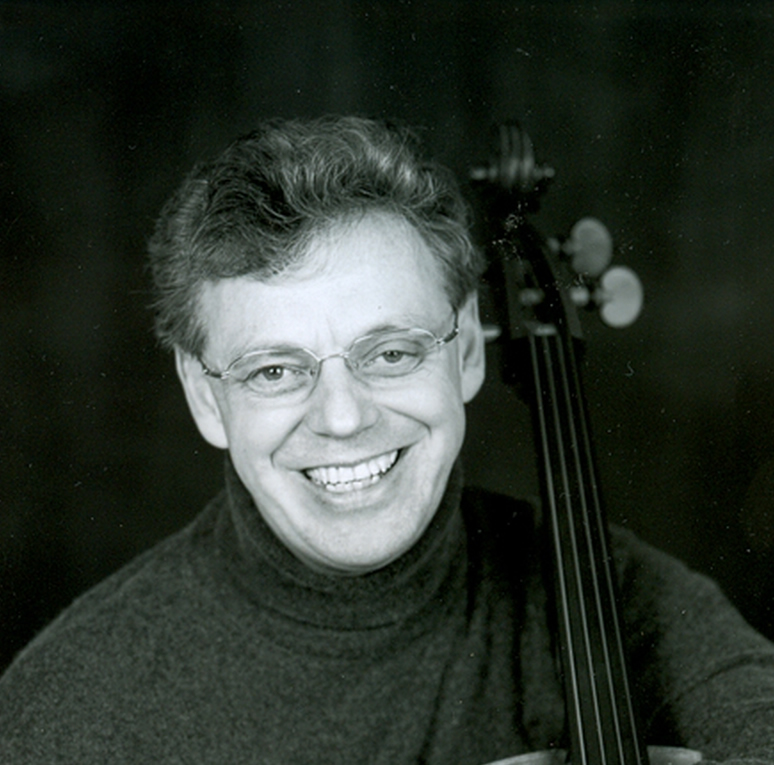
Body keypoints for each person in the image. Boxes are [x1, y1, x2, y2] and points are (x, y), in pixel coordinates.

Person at [1, 116, 774, 765]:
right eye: (275, 370)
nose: (342, 417)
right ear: (206, 394)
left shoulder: (639, 608)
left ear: (465, 347)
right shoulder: (71, 710)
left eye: (392, 352)